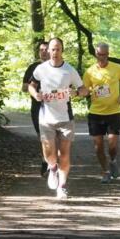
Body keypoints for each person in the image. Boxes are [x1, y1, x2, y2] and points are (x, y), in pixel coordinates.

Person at [29, 37, 88, 200]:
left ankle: (62, 187)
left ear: (62, 50)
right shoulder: (41, 69)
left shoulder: (69, 70)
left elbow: (83, 90)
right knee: (50, 154)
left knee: (65, 154)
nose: (55, 52)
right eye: (53, 49)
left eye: (58, 49)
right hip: (46, 117)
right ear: (48, 51)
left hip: (65, 118)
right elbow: (31, 85)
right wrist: (36, 95)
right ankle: (52, 167)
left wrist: (75, 93)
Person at [23, 39, 74, 178]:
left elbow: (74, 87)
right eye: (42, 50)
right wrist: (38, 93)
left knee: (59, 142)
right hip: (39, 108)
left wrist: (66, 92)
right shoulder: (34, 68)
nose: (45, 52)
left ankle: (55, 166)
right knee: (44, 139)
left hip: (61, 110)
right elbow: (26, 86)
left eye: (47, 50)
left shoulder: (66, 69)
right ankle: (48, 162)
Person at [83, 43, 120, 183]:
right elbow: (84, 89)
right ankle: (105, 171)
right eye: (99, 54)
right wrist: (78, 93)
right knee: (98, 146)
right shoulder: (90, 72)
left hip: (114, 112)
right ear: (96, 54)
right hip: (96, 113)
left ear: (108, 54)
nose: (101, 57)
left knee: (112, 145)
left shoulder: (117, 68)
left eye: (104, 54)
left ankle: (113, 160)